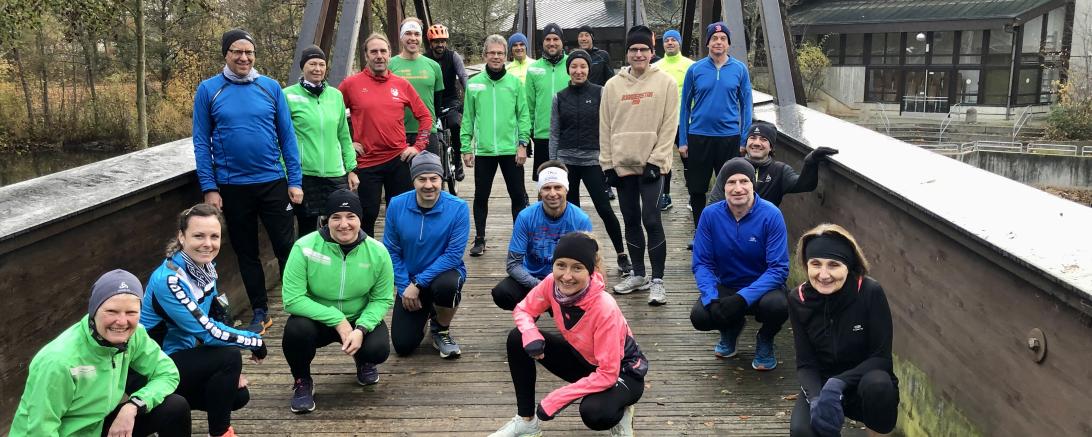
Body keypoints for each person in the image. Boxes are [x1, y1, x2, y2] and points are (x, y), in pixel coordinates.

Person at [192, 28, 302, 334]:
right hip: (232, 186)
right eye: (237, 52)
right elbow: (201, 142)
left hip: (272, 181)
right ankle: (259, 311)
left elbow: (287, 137)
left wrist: (294, 180)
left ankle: (298, 304)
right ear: (226, 54)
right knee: (246, 251)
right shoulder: (208, 90)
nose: (243, 57)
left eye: (248, 52)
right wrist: (209, 187)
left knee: (286, 246)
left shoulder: (270, 87)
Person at [489, 232, 648, 437]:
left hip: (621, 373)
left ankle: (622, 411)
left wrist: (557, 398)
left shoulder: (604, 307)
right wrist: (530, 333)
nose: (567, 276)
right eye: (561, 265)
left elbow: (608, 373)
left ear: (590, 271)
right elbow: (523, 309)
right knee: (517, 338)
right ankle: (526, 422)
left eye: (577, 268)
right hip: (586, 361)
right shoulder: (551, 284)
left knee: (595, 412)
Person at [9, 270, 190, 437]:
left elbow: (167, 373)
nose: (121, 321)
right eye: (111, 311)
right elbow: (41, 430)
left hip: (96, 426)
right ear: (94, 310)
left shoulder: (134, 335)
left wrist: (133, 406)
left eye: (131, 312)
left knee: (175, 406)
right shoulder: (59, 360)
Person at [141, 204, 268, 437]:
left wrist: (230, 372)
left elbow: (215, 315)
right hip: (152, 366)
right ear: (182, 236)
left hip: (181, 357)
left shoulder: (205, 268)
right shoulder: (170, 280)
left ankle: (180, 410)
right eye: (198, 236)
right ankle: (220, 432)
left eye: (214, 236)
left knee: (238, 395)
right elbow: (207, 331)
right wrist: (254, 341)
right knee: (229, 356)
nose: (207, 243)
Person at [281, 189, 394, 413]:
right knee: (296, 331)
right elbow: (292, 299)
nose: (344, 224)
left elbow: (382, 299)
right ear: (326, 219)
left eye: (351, 216)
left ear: (360, 219)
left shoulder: (378, 252)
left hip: (358, 318)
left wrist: (361, 328)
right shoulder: (304, 247)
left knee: (378, 349)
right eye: (336, 217)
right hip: (317, 321)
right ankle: (302, 380)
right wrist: (337, 319)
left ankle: (364, 360)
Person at [788, 224, 899, 437]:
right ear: (806, 265)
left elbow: (881, 358)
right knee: (802, 431)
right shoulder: (797, 299)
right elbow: (805, 364)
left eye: (833, 265)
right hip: (821, 382)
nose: (824, 274)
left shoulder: (869, 292)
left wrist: (838, 383)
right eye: (816, 264)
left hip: (862, 381)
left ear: (849, 266)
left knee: (879, 386)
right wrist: (816, 400)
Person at [600, 25, 678, 305]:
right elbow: (605, 126)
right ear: (628, 52)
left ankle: (658, 280)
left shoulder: (666, 83)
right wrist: (607, 164)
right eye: (634, 49)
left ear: (651, 51)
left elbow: (670, 125)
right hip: (623, 163)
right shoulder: (613, 86)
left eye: (644, 49)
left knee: (652, 219)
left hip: (651, 166)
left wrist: (658, 160)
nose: (639, 54)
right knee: (630, 219)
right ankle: (638, 274)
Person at [690, 158, 789, 371]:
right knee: (700, 316)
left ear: (753, 184)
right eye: (730, 182)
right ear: (722, 186)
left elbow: (778, 269)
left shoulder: (771, 215)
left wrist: (743, 298)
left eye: (744, 181)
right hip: (727, 283)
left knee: (778, 307)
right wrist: (710, 298)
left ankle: (765, 337)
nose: (738, 188)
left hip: (764, 287)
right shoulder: (710, 215)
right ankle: (731, 328)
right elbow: (702, 263)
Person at [340, 33, 433, 238]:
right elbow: (333, 119)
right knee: (368, 215)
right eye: (374, 51)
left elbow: (426, 117)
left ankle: (398, 259)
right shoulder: (351, 84)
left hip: (398, 160)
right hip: (366, 163)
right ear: (366, 55)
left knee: (401, 214)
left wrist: (417, 146)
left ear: (390, 54)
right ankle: (367, 261)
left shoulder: (401, 84)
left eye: (383, 51)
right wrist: (347, 145)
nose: (379, 56)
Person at [549, 49, 631, 277]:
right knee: (571, 212)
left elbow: (610, 127)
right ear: (569, 70)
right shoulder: (559, 96)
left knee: (604, 208)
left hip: (593, 159)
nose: (578, 71)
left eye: (582, 66)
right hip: (567, 161)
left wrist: (611, 159)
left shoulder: (601, 93)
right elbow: (554, 132)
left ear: (589, 69)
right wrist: (553, 165)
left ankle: (622, 255)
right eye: (574, 67)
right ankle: (575, 259)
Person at [384, 152, 470, 359]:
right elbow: (390, 249)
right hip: (410, 279)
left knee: (448, 285)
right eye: (422, 179)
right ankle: (427, 311)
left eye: (434, 178)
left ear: (442, 179)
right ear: (413, 180)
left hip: (443, 275)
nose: (428, 185)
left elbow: (453, 255)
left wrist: (418, 284)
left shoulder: (458, 208)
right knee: (403, 346)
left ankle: (441, 329)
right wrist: (405, 286)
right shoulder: (397, 205)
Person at [678, 22, 753, 235]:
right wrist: (683, 139)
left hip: (729, 137)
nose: (718, 42)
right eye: (714, 39)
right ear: (708, 43)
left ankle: (727, 230)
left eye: (722, 39)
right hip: (699, 136)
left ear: (728, 44)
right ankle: (701, 230)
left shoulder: (739, 70)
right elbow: (684, 106)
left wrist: (744, 139)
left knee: (730, 186)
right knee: (697, 188)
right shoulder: (695, 69)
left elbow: (747, 105)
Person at [462, 34, 531, 257]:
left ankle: (519, 240)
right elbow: (467, 118)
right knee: (481, 196)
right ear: (485, 55)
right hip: (484, 150)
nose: (496, 57)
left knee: (518, 195)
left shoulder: (514, 84)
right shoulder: (474, 85)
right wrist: (465, 146)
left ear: (506, 55)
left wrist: (523, 144)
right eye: (491, 53)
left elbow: (523, 116)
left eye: (500, 53)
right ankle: (480, 238)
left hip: (511, 150)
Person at [491, 161, 594, 311]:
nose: (552, 193)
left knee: (589, 296)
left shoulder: (580, 219)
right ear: (540, 191)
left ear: (566, 189)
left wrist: (563, 286)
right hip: (533, 279)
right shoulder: (526, 217)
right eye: (546, 188)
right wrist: (542, 287)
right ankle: (531, 312)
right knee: (502, 293)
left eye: (558, 187)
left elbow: (590, 266)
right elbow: (513, 265)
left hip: (566, 280)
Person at [285, 45, 358, 235]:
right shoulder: (288, 95)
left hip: (335, 173)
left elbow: (343, 134)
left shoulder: (335, 95)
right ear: (303, 66)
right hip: (305, 173)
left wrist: (351, 169)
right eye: (312, 64)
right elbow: (280, 138)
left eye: (321, 64)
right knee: (307, 229)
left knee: (340, 225)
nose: (317, 68)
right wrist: (286, 171)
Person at [707, 121, 839, 207]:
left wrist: (811, 161)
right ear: (746, 143)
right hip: (731, 225)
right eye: (752, 138)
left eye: (763, 139)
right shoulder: (732, 166)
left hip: (763, 228)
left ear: (771, 147)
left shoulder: (779, 171)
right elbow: (714, 202)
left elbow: (805, 184)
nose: (756, 143)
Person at [389, 17, 444, 157]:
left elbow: (437, 102)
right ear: (401, 37)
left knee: (430, 177)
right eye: (408, 33)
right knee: (401, 179)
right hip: (397, 133)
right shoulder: (389, 65)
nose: (413, 38)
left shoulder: (434, 66)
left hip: (427, 133)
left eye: (416, 34)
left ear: (421, 37)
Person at [652, 29, 694, 211]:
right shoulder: (655, 67)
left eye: (673, 40)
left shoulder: (691, 66)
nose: (670, 43)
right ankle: (665, 195)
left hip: (686, 122)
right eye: (667, 40)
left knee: (690, 160)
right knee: (663, 160)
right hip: (663, 122)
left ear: (679, 43)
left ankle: (694, 194)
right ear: (663, 45)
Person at [425, 23, 470, 181]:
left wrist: (469, 94)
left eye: (443, 41)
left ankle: (457, 161)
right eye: (437, 41)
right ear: (431, 43)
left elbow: (463, 76)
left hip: (450, 99)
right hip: (432, 100)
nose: (441, 44)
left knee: (455, 125)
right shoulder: (425, 59)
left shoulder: (453, 56)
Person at [525, 23, 570, 181]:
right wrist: (527, 133)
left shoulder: (572, 65)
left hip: (568, 133)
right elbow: (529, 104)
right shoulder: (533, 69)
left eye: (556, 39)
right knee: (543, 180)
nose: (552, 43)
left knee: (567, 181)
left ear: (562, 41)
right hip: (543, 134)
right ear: (542, 42)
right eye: (548, 39)